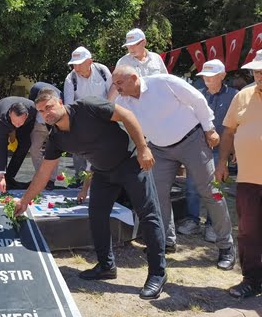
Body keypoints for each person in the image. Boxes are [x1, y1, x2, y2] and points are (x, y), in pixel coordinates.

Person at [14, 89, 167, 300]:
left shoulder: (87, 106)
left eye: (49, 107)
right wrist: (24, 201)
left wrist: (143, 148)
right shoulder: (56, 138)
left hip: (131, 162)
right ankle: (106, 266)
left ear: (59, 102)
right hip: (103, 173)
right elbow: (43, 173)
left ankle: (157, 274)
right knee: (97, 216)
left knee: (149, 216)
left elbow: (126, 115)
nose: (46, 113)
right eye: (41, 111)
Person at [112, 66, 235, 270]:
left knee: (211, 192)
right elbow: (124, 128)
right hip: (159, 150)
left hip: (193, 140)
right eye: (114, 84)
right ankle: (166, 242)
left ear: (134, 77)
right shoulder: (121, 102)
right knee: (157, 195)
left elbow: (197, 99)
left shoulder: (163, 82)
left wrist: (209, 128)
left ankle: (226, 246)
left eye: (119, 83)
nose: (116, 88)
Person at [216, 50, 262, 298]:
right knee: (248, 231)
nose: (259, 75)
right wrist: (222, 161)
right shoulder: (243, 96)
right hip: (248, 179)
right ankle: (252, 280)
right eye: (256, 71)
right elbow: (229, 132)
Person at [178, 59, 237, 241]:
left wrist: (235, 150)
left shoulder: (234, 96)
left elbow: (236, 125)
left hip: (221, 150)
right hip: (196, 149)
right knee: (191, 187)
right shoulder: (197, 94)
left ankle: (212, 225)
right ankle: (193, 221)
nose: (207, 79)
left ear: (222, 76)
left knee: (216, 188)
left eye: (211, 76)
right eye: (205, 76)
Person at [63, 46, 113, 191]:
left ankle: (102, 180)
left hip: (104, 116)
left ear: (90, 61)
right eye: (74, 64)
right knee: (79, 151)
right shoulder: (70, 78)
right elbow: (69, 104)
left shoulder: (102, 71)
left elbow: (112, 91)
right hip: (82, 118)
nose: (75, 67)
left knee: (104, 150)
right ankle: (80, 180)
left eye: (79, 63)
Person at [0, 97, 36, 192]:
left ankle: (9, 176)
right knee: (2, 143)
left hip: (26, 122)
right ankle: (4, 176)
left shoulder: (33, 109)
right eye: (14, 122)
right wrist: (0, 176)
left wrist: (17, 127)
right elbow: (2, 147)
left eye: (19, 122)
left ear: (26, 115)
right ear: (10, 114)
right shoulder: (3, 118)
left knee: (25, 144)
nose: (16, 125)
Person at [28, 82, 62, 190]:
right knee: (34, 149)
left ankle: (51, 180)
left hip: (55, 122)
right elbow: (31, 108)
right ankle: (41, 177)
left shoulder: (60, 98)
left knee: (54, 151)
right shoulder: (35, 90)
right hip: (39, 123)